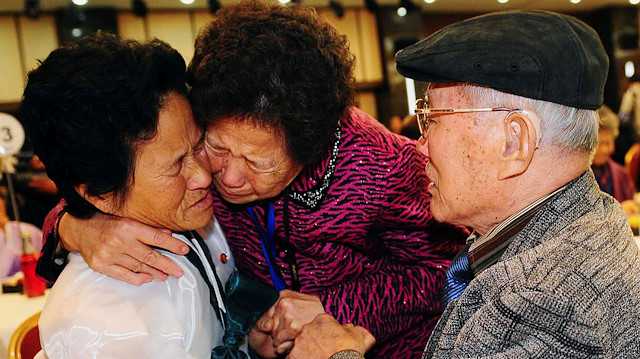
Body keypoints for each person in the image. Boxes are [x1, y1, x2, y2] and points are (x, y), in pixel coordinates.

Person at [34, 2, 467, 358]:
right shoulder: (190, 153)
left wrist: (332, 307)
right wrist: (75, 226)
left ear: (310, 147)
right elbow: (112, 174)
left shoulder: (381, 167)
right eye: (215, 145)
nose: (223, 177)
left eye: (258, 163)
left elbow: (450, 271)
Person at [288, 10, 640, 359]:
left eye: (432, 119)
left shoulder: (553, 300)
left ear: (513, 142)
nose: (419, 145)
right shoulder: (570, 226)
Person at [21, 32, 275, 358]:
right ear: (102, 196)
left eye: (198, 146)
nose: (202, 175)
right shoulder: (105, 320)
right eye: (174, 166)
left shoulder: (194, 215)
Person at [591, 105, 639, 216]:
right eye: (599, 144)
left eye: (608, 143)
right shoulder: (576, 176)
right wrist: (617, 212)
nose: (604, 150)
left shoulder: (621, 174)